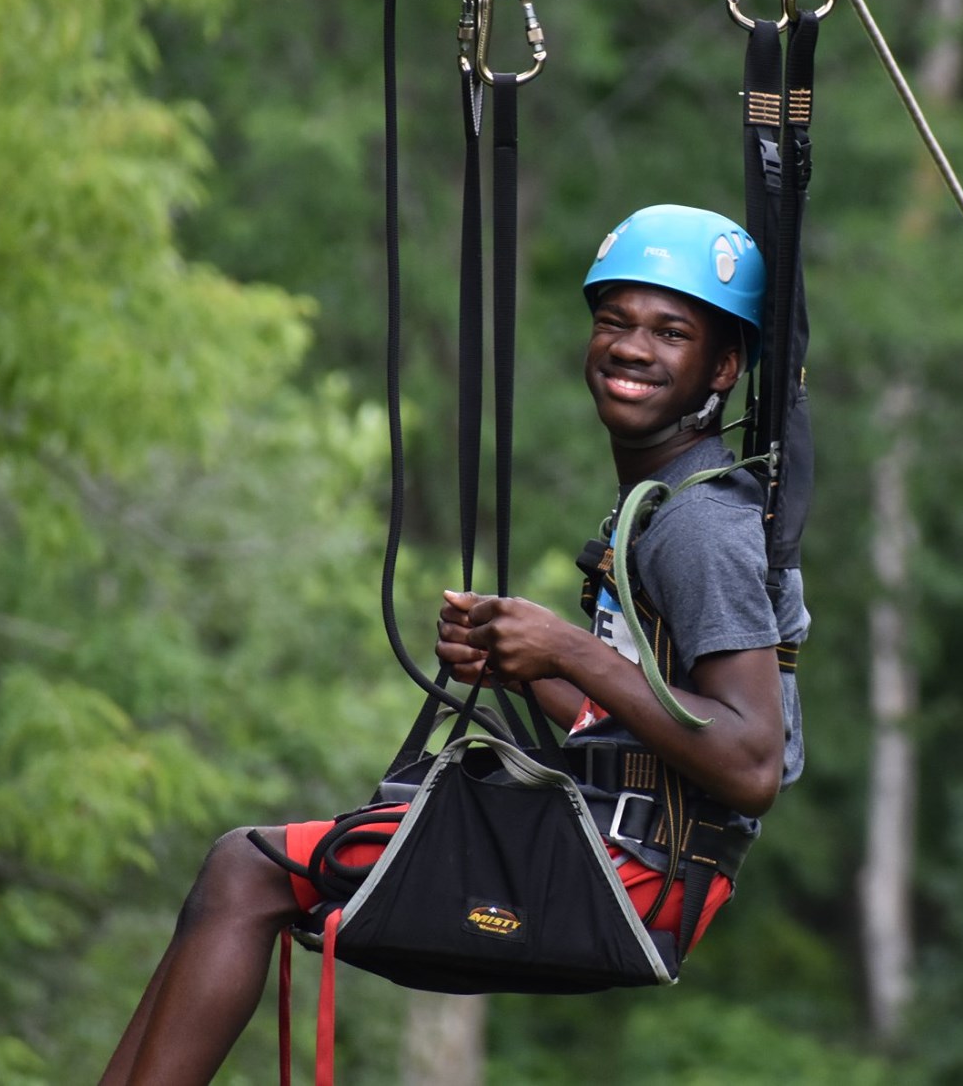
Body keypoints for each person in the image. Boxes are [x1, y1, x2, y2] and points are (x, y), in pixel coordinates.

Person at [101, 204, 808, 1086]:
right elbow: (649, 726)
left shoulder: (698, 524)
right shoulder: (666, 504)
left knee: (244, 872)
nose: (632, 347)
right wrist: (534, 666)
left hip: (634, 875)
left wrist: (566, 646)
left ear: (724, 366)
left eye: (671, 331)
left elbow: (748, 759)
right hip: (626, 852)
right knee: (236, 872)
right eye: (614, 321)